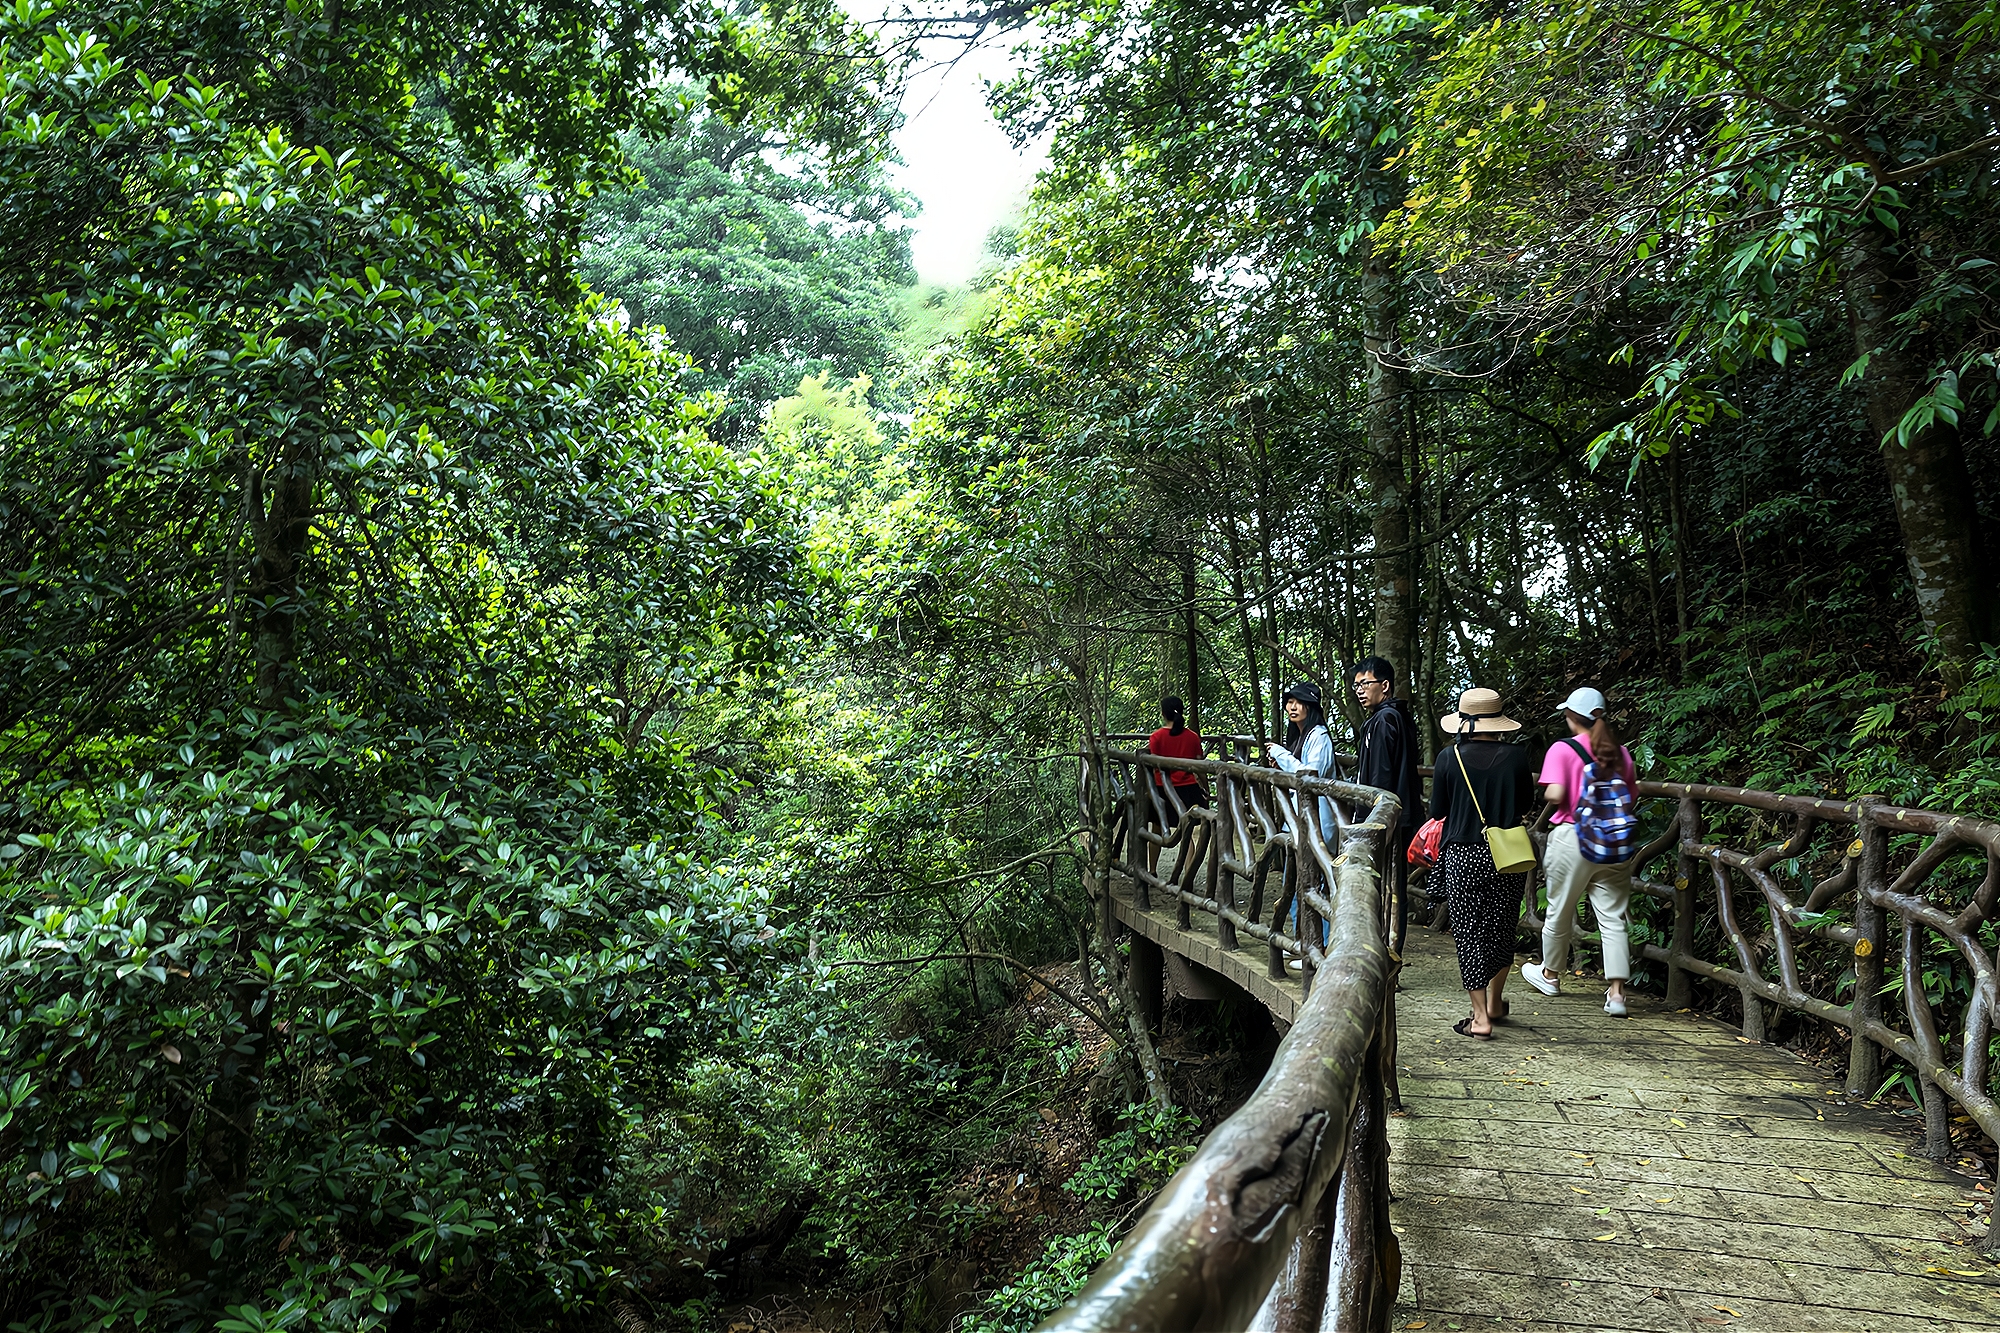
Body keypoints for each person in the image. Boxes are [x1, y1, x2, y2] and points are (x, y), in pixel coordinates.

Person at [1521, 686, 1639, 1016]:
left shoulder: (1562, 749)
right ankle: (1616, 995)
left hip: (1573, 837)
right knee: (1613, 916)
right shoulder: (1622, 753)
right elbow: (1631, 795)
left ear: (1572, 718)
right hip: (1614, 843)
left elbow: (1556, 794)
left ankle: (1550, 974)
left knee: (1560, 907)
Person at [1429, 687, 1534, 1039]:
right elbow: (1523, 804)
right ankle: (1495, 1001)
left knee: (1470, 934)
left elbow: (1438, 811)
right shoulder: (1517, 757)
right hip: (1508, 853)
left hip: (1462, 854)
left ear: (1463, 721)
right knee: (1502, 927)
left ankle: (1479, 1017)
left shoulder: (1448, 758)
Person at [1350, 656, 1426, 941]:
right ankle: (1389, 952)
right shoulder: (1399, 716)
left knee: (1383, 887)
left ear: (1385, 685)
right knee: (1394, 887)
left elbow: (1380, 777)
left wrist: (1368, 821)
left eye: (1365, 683)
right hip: (1402, 815)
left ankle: (1382, 952)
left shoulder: (1383, 720)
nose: (1359, 690)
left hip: (1386, 820)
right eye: (1356, 685)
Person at [1145, 696, 1208, 876]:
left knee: (1157, 829)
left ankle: (1152, 870)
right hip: (1188, 790)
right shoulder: (1192, 737)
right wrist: (1205, 788)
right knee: (1186, 833)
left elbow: (1156, 764)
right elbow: (1200, 765)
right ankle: (1188, 875)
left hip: (1162, 790)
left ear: (1163, 713)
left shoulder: (1156, 737)